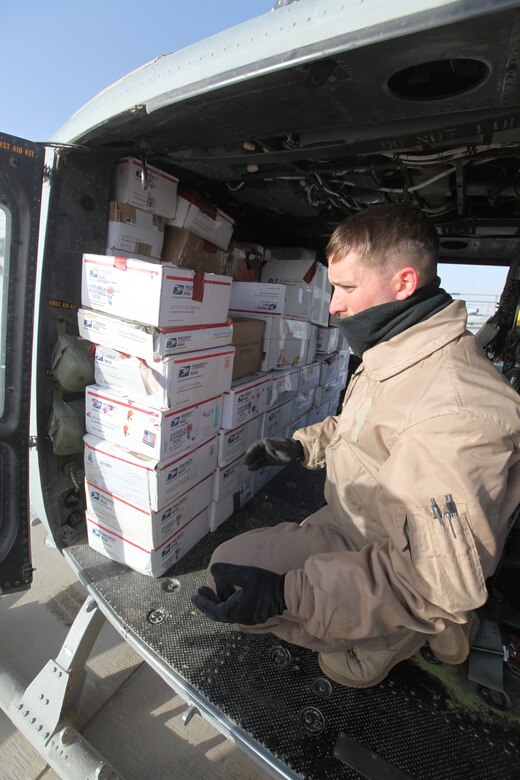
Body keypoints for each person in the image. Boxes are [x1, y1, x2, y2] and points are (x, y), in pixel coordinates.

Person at [192, 203, 520, 688]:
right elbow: (362, 427)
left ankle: (402, 636)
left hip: (397, 569)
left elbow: (432, 582)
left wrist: (290, 596)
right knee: (226, 573)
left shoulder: (454, 411)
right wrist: (304, 446)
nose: (332, 306)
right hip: (351, 525)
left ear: (404, 283)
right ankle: (357, 613)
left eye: (346, 288)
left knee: (338, 665)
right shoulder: (399, 348)